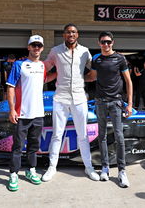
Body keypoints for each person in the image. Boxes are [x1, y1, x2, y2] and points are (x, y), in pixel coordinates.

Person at [42, 23, 100, 182]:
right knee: (56, 135)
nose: (71, 35)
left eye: (73, 32)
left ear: (77, 35)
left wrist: (87, 78)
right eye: (68, 32)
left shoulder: (84, 52)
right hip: (60, 98)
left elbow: (93, 70)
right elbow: (45, 67)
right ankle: (52, 167)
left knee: (83, 135)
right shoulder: (55, 51)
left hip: (80, 98)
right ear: (64, 35)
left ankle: (89, 168)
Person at [6, 35, 56, 191]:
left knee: (34, 146)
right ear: (28, 47)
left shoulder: (42, 65)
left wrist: (62, 72)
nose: (36, 48)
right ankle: (13, 174)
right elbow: (10, 87)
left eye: (39, 46)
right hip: (21, 114)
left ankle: (31, 170)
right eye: (33, 45)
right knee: (18, 146)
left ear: (42, 48)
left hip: (38, 114)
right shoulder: (19, 65)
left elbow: (45, 80)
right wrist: (12, 109)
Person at [89, 31, 133, 188]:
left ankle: (122, 171)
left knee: (119, 136)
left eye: (108, 42)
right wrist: (73, 77)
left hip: (115, 102)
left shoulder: (120, 58)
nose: (106, 44)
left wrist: (129, 104)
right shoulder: (96, 59)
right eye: (103, 42)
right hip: (100, 102)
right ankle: (105, 167)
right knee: (101, 136)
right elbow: (92, 76)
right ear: (99, 43)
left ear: (113, 42)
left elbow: (128, 81)